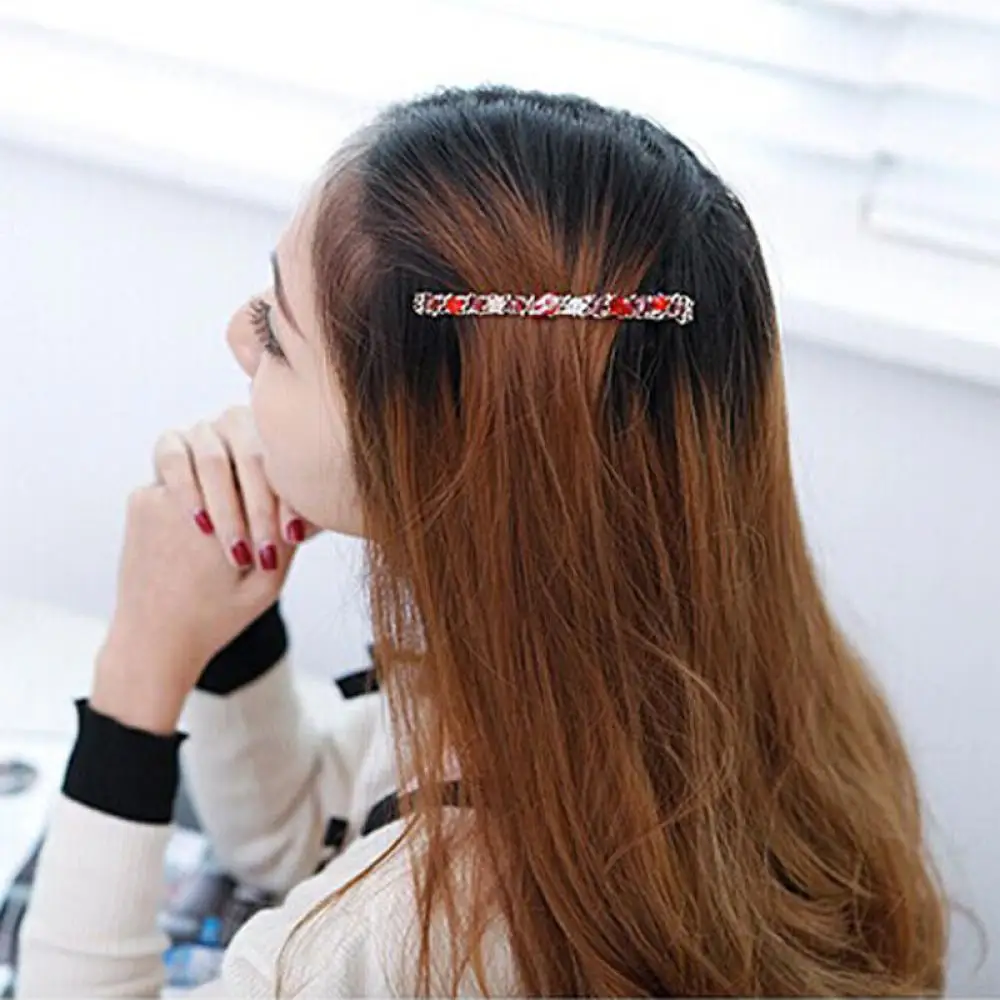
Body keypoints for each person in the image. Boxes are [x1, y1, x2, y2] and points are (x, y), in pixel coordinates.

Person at [17, 86, 946, 997]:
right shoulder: (715, 682)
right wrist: (223, 614)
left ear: (422, 448)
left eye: (279, 333)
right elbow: (303, 833)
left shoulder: (411, 938)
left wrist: (137, 671)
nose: (237, 334)